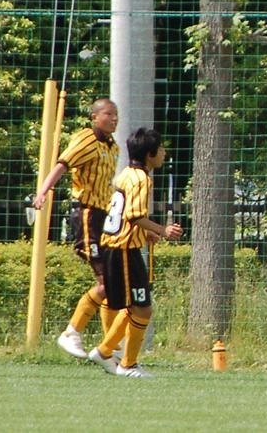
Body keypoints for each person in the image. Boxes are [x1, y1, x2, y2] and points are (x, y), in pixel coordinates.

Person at [87, 128, 182, 377]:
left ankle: (106, 352)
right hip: (123, 250)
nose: (164, 153)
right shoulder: (142, 179)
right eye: (160, 149)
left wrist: (144, 233)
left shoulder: (126, 174)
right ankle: (126, 364)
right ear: (150, 154)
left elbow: (124, 216)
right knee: (142, 308)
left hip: (116, 246)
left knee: (134, 306)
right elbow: (134, 215)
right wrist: (162, 230)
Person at [33, 98, 119, 359]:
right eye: (108, 114)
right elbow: (62, 164)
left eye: (116, 114)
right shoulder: (85, 139)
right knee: (106, 282)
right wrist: (43, 191)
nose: (114, 119)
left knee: (112, 283)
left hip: (104, 216)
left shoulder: (112, 146)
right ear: (94, 117)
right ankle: (72, 332)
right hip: (87, 214)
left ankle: (111, 346)